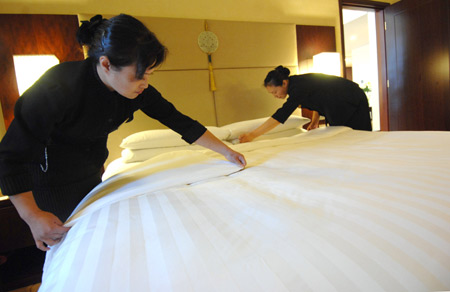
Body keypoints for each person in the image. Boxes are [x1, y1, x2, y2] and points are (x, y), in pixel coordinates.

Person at [0, 14, 246, 252]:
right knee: (75, 249)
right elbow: (10, 157)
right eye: (140, 75)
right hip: (51, 184)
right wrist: (32, 216)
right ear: (106, 64)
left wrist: (226, 151)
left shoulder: (135, 91)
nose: (145, 83)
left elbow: (178, 120)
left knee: (103, 239)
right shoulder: (58, 88)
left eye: (149, 74)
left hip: (91, 174)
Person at [239, 66, 372, 143]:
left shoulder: (298, 87)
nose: (276, 96)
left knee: (359, 135)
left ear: (284, 83)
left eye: (275, 92)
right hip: (340, 100)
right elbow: (319, 100)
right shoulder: (298, 85)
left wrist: (252, 135)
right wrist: (314, 122)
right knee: (347, 137)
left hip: (350, 97)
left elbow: (281, 115)